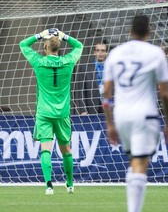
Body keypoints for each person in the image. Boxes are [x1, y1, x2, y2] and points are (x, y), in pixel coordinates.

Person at [102, 15, 168, 212]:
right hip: (145, 114)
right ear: (149, 31)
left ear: (130, 30)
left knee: (134, 161)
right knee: (141, 163)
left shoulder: (115, 53)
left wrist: (110, 123)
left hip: (122, 115)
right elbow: (165, 94)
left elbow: (106, 93)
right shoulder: (156, 53)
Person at [19, 29, 83, 195]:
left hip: (44, 113)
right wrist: (64, 36)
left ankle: (49, 185)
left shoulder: (38, 62)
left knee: (45, 149)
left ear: (46, 45)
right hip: (62, 113)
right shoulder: (68, 61)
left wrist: (41, 34)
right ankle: (69, 184)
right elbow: (79, 45)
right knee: (66, 150)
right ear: (59, 47)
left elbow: (23, 44)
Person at [74, 42, 108, 115]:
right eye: (98, 50)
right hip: (91, 108)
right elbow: (80, 91)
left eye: (103, 50)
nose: (100, 53)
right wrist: (82, 110)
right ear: (94, 52)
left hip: (108, 107)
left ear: (106, 52)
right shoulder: (85, 68)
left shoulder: (111, 68)